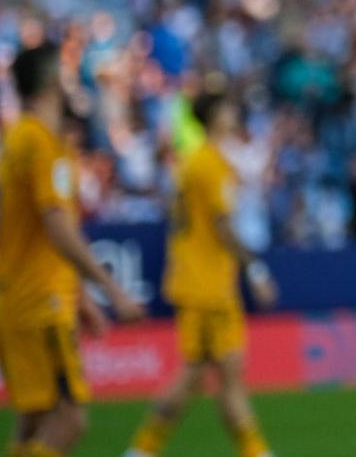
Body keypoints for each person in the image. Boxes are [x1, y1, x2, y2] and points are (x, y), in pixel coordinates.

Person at [0, 43, 144, 457]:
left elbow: (38, 233)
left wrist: (79, 296)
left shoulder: (19, 138)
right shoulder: (42, 143)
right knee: (70, 419)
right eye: (63, 71)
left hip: (19, 295)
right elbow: (57, 227)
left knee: (35, 419)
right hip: (40, 301)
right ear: (48, 81)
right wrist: (110, 290)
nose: (69, 77)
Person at [125, 89, 278, 457]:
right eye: (227, 107)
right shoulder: (210, 164)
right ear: (214, 117)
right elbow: (223, 225)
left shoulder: (196, 162)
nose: (233, 113)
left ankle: (144, 449)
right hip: (208, 283)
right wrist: (255, 270)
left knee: (203, 374)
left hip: (196, 279)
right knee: (222, 375)